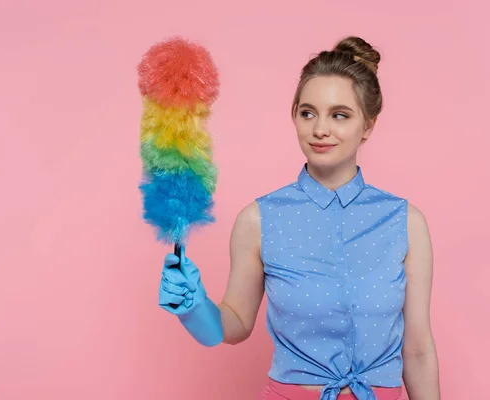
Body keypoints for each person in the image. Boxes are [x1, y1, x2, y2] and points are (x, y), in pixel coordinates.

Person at [158, 36, 441, 400]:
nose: (319, 129)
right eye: (308, 112)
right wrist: (195, 309)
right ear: (294, 116)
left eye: (340, 115)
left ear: (368, 125)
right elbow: (236, 324)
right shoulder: (258, 219)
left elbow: (417, 349)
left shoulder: (405, 222)